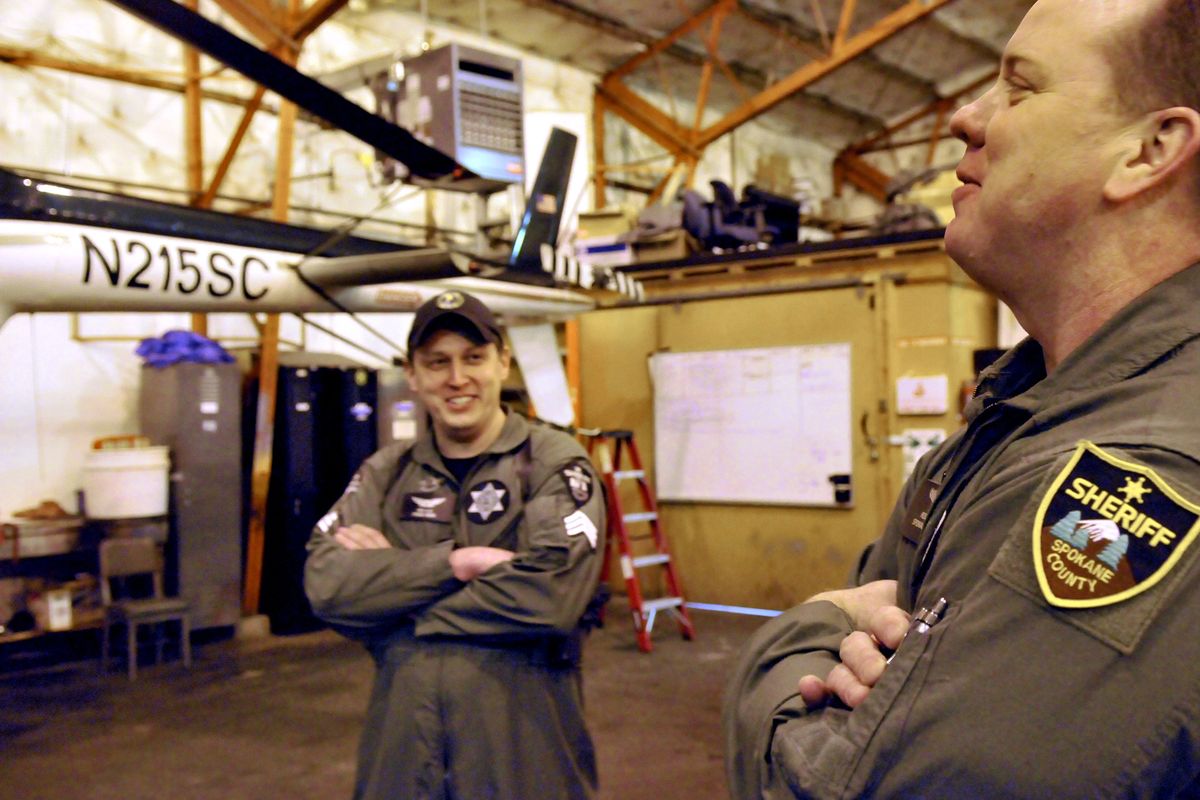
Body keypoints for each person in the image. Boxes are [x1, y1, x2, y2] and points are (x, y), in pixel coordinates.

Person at [724, 0, 1200, 796]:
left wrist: (800, 638)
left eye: (1019, 89)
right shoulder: (1017, 418)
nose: (963, 116)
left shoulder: (1144, 473)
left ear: (1151, 151)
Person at [304, 290, 605, 799]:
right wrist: (456, 564)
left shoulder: (553, 462)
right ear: (414, 375)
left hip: (524, 749)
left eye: (474, 358)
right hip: (402, 753)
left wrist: (398, 604)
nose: (457, 378)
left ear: (503, 363)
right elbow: (327, 588)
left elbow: (552, 596)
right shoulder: (386, 472)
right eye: (437, 362)